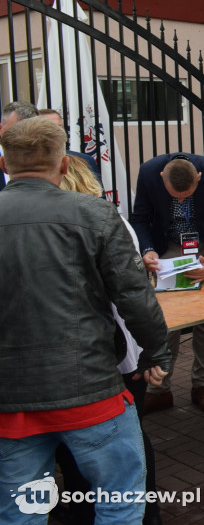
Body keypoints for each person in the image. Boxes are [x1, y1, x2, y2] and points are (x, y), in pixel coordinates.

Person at [0, 117, 170, 524]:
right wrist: (155, 351)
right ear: (63, 165)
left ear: (5, 165)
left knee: (20, 513)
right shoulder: (93, 213)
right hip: (90, 389)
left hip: (11, 396)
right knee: (121, 503)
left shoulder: (91, 214)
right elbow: (133, 296)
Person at [54, 155, 162, 525]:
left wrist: (143, 354)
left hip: (113, 357)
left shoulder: (102, 222)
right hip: (107, 355)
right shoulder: (88, 222)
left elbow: (129, 299)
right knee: (105, 451)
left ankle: (141, 515)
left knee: (125, 448)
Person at [130, 151, 204, 413]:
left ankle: (201, 384)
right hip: (167, 248)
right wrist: (146, 250)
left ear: (199, 178)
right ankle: (160, 389)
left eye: (185, 196)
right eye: (174, 197)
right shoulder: (148, 172)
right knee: (166, 320)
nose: (179, 200)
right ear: (161, 178)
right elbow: (140, 219)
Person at [0, 100, 38, 191]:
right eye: (16, 130)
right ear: (1, 129)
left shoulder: (54, 159)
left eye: (32, 130)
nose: (24, 137)